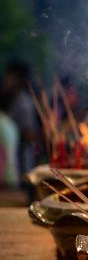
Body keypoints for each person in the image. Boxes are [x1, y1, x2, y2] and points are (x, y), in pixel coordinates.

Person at [1, 60, 38, 200]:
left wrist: (11, 136)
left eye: (10, 76)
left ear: (19, 79)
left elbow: (30, 135)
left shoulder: (24, 103)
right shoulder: (11, 100)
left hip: (22, 164)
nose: (7, 80)